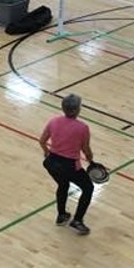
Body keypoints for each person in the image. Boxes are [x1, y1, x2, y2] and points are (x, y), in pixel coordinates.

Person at [39, 93, 96, 235]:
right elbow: (85, 149)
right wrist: (91, 161)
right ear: (77, 110)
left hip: (51, 163)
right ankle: (77, 220)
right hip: (70, 166)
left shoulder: (53, 121)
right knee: (88, 188)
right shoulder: (82, 127)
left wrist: (47, 152)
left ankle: (61, 215)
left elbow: (42, 141)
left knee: (63, 185)